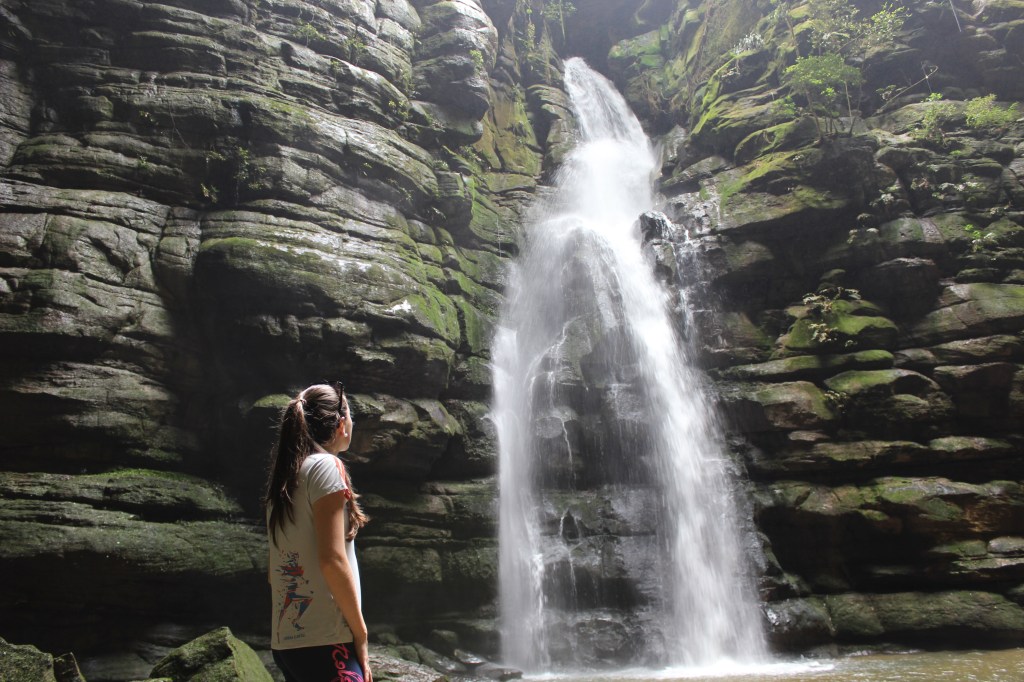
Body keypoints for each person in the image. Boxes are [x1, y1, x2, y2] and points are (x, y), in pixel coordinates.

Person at [263, 381, 372, 682]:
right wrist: (360, 634)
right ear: (340, 424)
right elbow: (332, 559)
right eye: (351, 416)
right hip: (327, 642)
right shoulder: (327, 466)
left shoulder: (285, 482)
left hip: (288, 643)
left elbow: (275, 571)